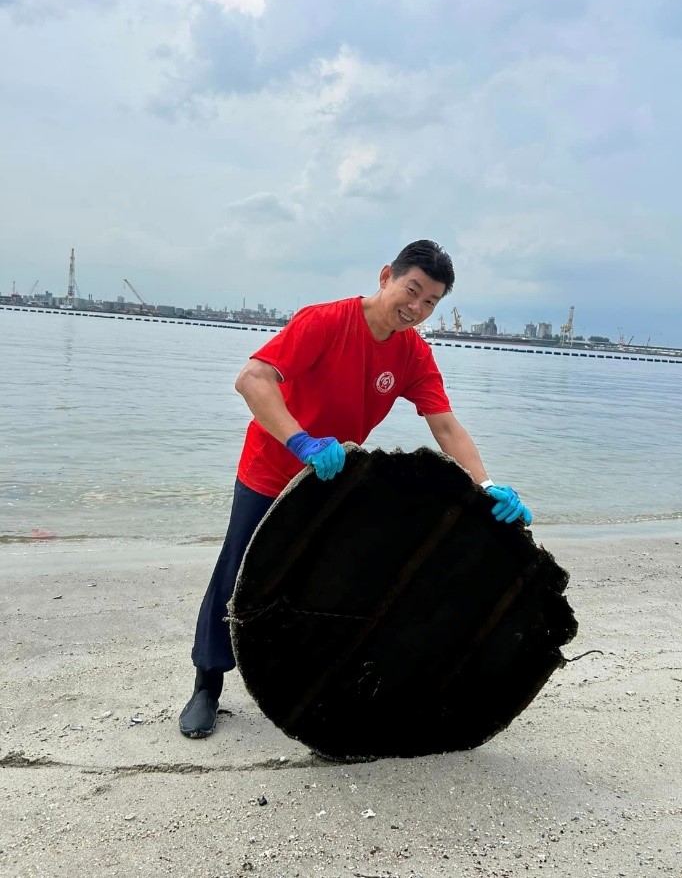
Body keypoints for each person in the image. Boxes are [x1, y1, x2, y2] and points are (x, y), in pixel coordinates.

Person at [179, 240, 532, 739]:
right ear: (386, 275)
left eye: (431, 302)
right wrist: (300, 440)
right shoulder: (324, 322)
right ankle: (206, 684)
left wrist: (486, 484)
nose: (417, 308)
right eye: (412, 291)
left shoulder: (413, 354)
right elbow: (253, 379)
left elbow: (446, 426)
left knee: (322, 578)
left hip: (331, 481)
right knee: (235, 573)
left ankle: (304, 681)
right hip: (272, 468)